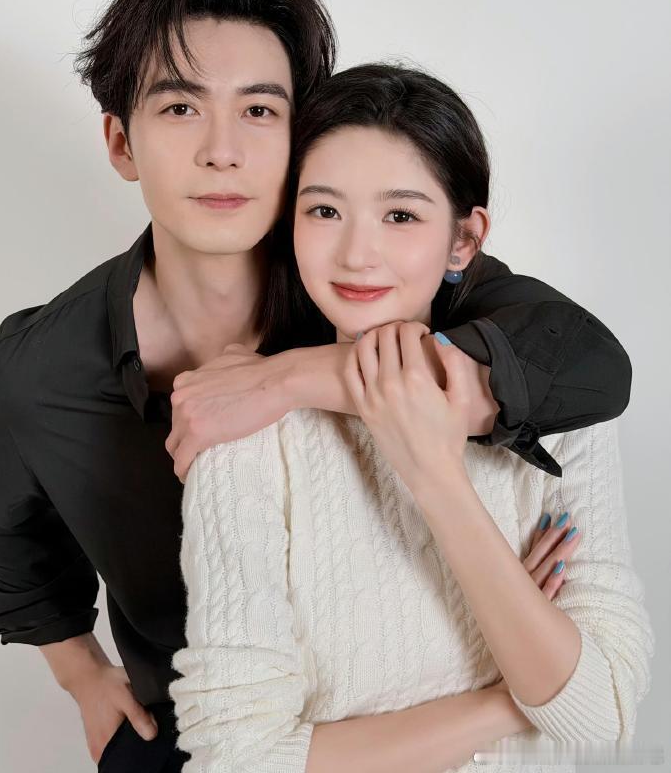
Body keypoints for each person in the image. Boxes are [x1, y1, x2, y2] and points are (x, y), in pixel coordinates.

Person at [0, 0, 632, 773]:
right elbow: (8, 538)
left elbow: (585, 362)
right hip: (203, 725)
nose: (222, 151)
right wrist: (80, 673)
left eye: (259, 111)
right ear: (120, 142)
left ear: (302, 138)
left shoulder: (364, 282)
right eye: (180, 108)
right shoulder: (39, 368)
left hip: (408, 708)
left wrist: (287, 378)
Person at [170, 64, 654, 773]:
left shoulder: (555, 416)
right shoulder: (248, 435)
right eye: (324, 211)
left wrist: (436, 477)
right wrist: (513, 694)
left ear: (464, 240)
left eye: (400, 215)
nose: (356, 253)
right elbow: (237, 759)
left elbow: (604, 713)